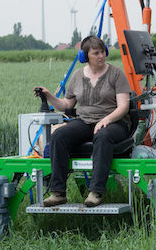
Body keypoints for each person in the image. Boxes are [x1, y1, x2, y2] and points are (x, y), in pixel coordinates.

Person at [35, 36, 131, 207]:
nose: (101, 56)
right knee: (58, 136)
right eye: (96, 53)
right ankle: (58, 192)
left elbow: (123, 106)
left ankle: (96, 192)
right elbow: (67, 105)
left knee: (102, 136)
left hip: (115, 122)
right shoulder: (77, 76)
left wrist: (106, 120)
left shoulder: (116, 74)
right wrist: (49, 96)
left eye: (103, 52)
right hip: (85, 121)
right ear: (86, 56)